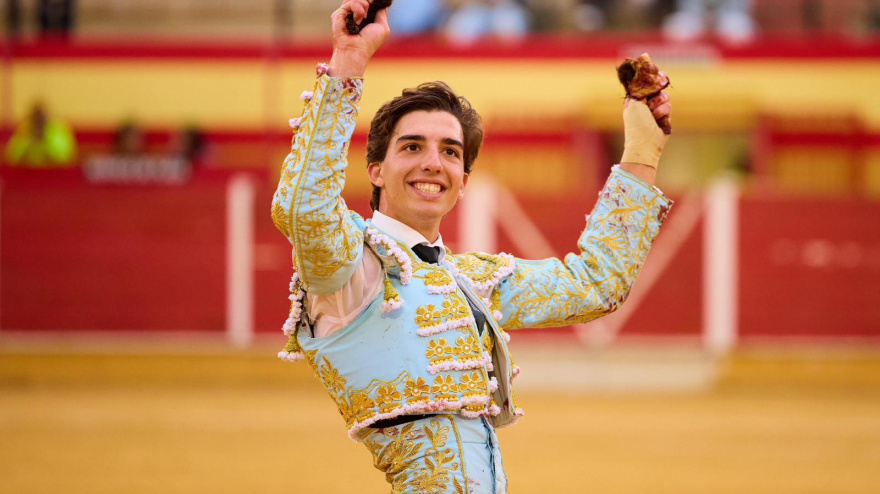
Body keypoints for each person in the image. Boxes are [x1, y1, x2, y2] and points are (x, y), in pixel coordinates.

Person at [271, 1, 673, 492]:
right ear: (375, 171)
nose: (433, 163)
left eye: (450, 152)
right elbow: (304, 208)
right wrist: (349, 62)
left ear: (463, 180)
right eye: (412, 146)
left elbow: (594, 285)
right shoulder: (352, 271)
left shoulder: (470, 281)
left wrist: (642, 150)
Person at [5, 101, 77, 167]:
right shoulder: (24, 131)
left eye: (41, 118)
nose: (39, 121)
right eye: (36, 118)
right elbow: (12, 157)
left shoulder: (57, 131)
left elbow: (63, 158)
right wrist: (28, 139)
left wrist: (46, 139)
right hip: (27, 173)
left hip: (53, 174)